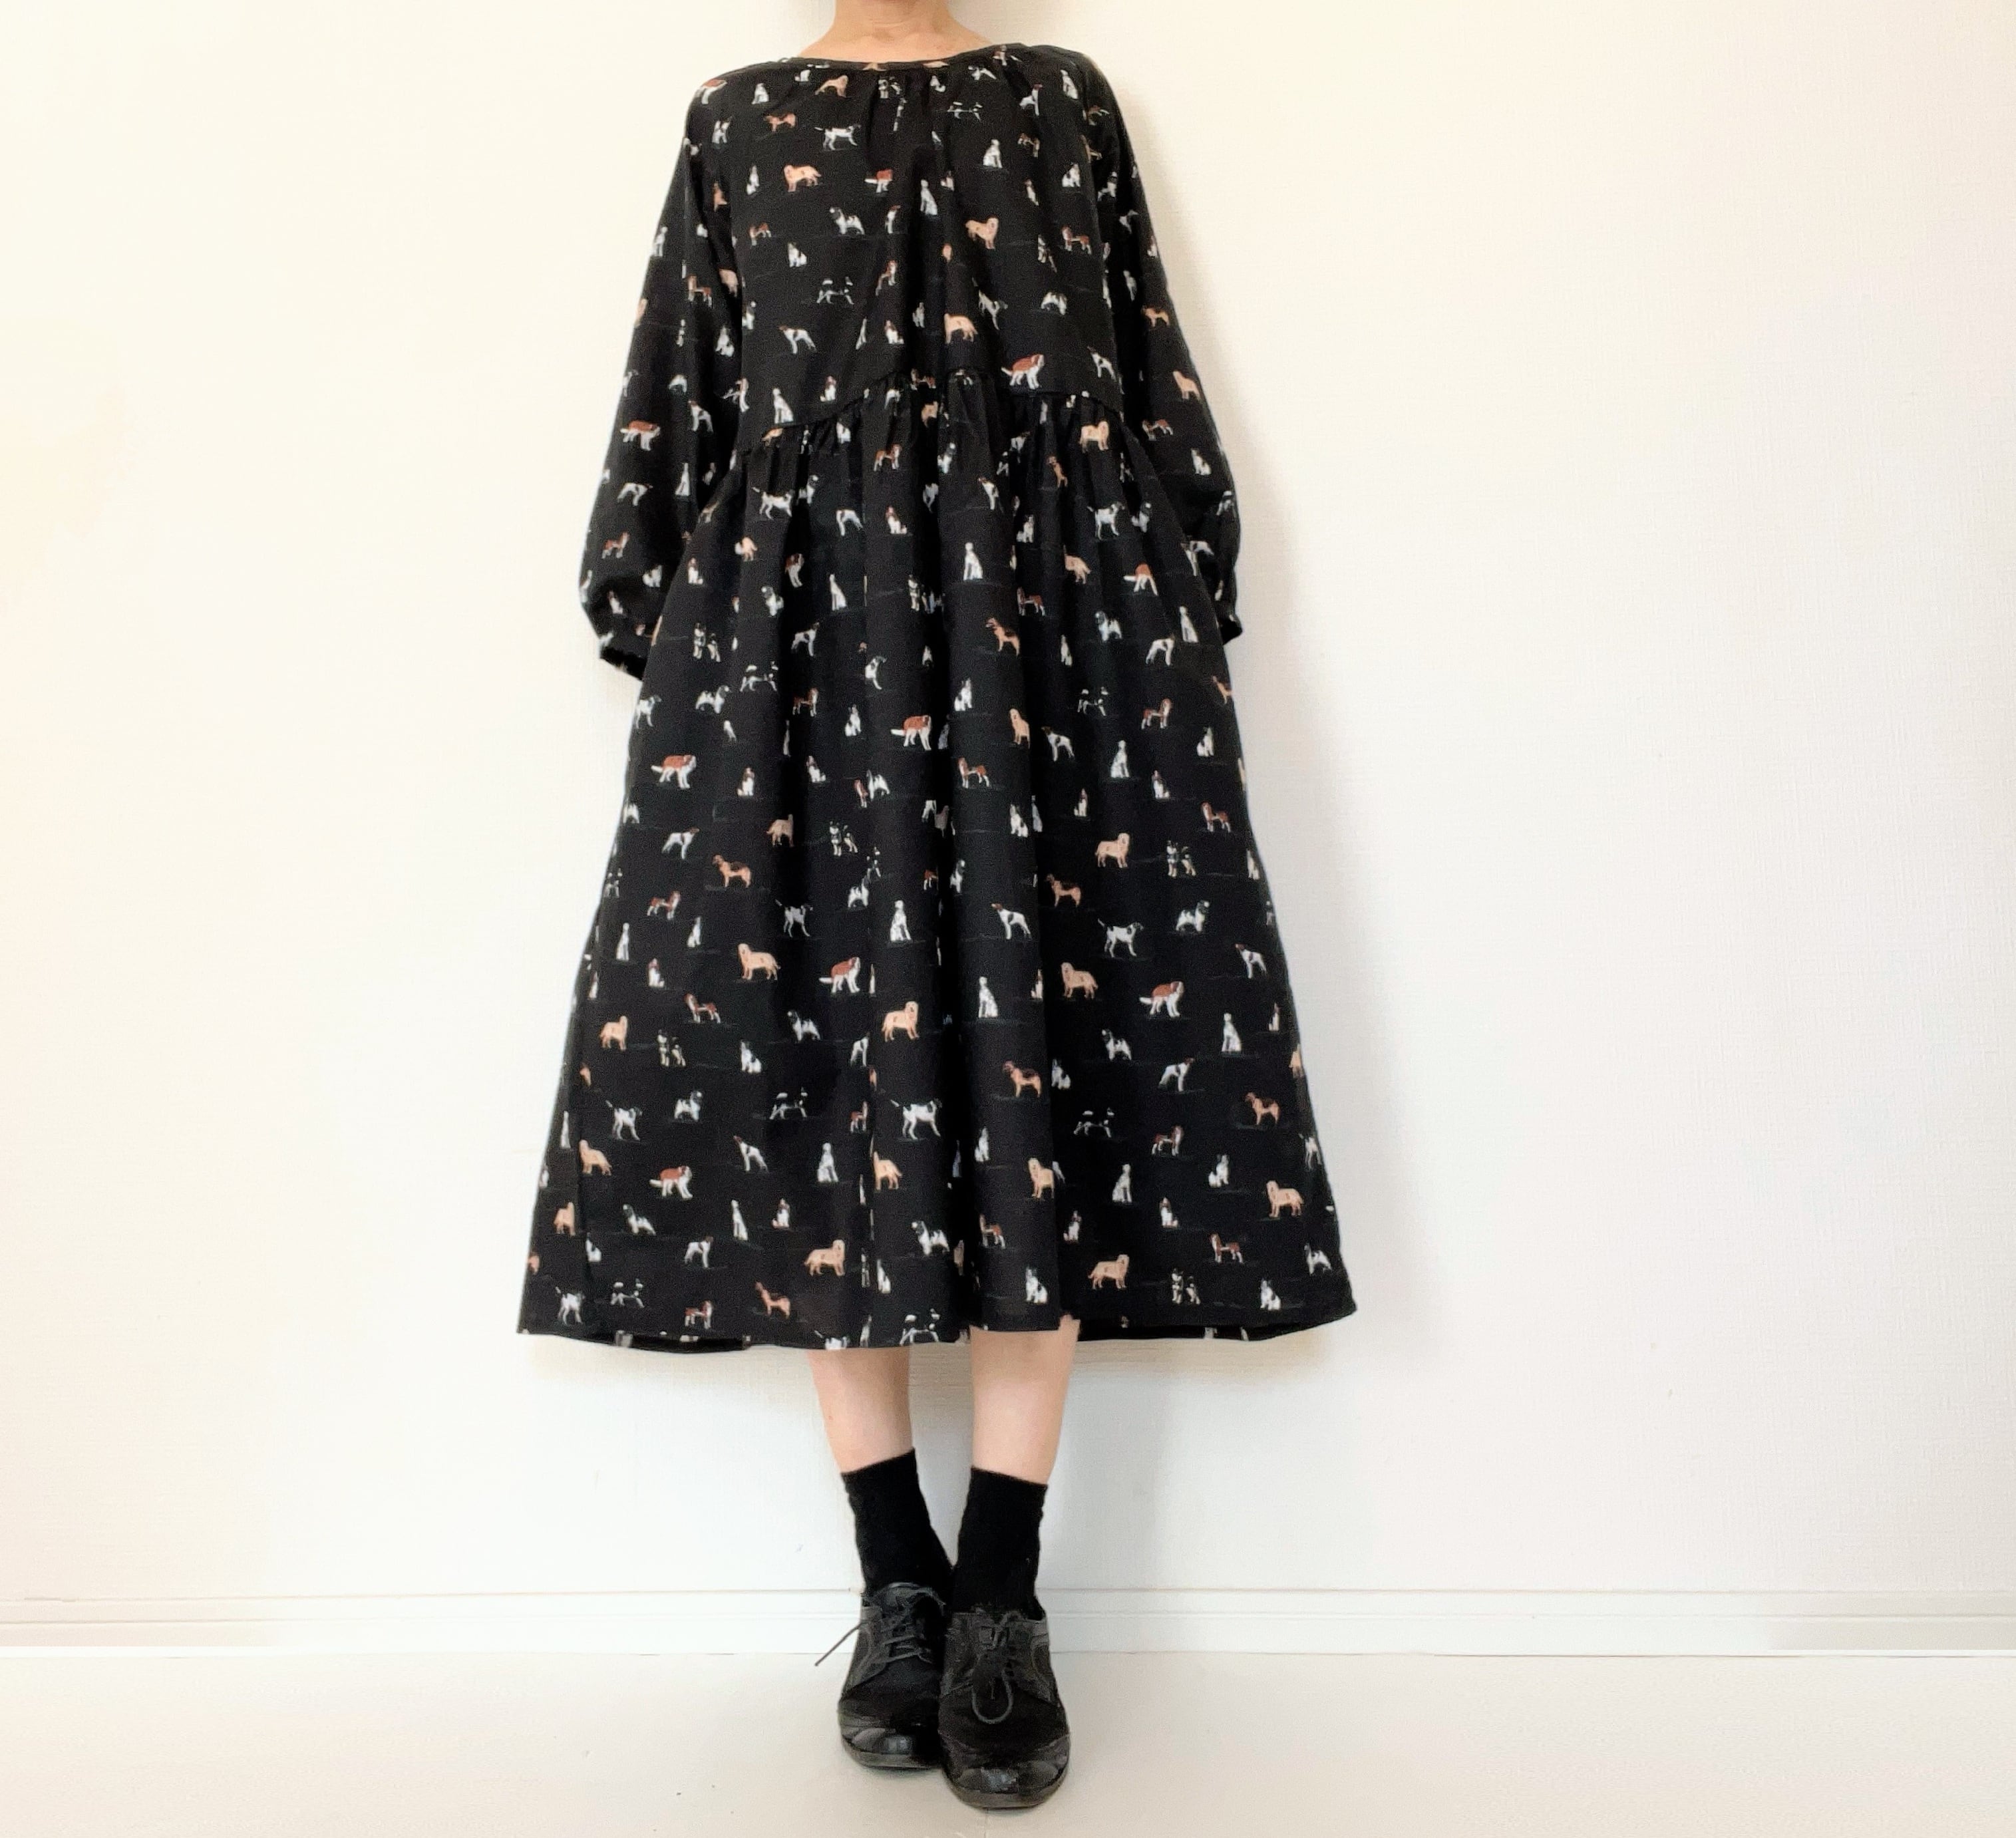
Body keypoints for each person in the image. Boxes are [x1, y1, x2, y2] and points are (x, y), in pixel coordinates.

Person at [518, 2, 1357, 1809]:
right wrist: (687, 649)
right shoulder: (736, 125)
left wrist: (1163, 616)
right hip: (805, 703)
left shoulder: (1058, 107)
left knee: (1043, 1091)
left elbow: (1146, 384)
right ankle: (894, 1577)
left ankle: (1003, 1595)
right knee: (829, 1106)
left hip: (1041, 680)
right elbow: (673, 409)